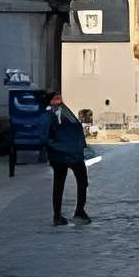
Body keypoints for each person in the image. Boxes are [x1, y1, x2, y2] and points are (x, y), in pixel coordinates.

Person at [43, 91, 91, 225]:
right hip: (67, 154)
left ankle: (60, 216)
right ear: (50, 101)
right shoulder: (55, 114)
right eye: (56, 98)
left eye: (60, 98)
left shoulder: (60, 112)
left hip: (64, 154)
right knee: (76, 181)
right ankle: (77, 213)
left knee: (61, 184)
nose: (59, 100)